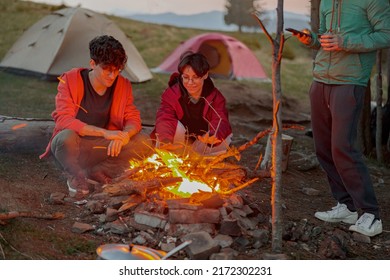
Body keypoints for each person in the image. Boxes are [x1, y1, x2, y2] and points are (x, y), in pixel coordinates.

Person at [292, 0, 390, 237]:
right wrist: (312, 40)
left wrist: (345, 42)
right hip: (321, 79)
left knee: (343, 148)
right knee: (323, 148)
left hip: (350, 80)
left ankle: (370, 214)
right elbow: (326, 38)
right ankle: (345, 205)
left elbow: (386, 34)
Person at [40, 35, 150, 198]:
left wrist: (125, 135)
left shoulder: (123, 85)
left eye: (117, 70)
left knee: (143, 142)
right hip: (76, 146)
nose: (113, 76)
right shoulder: (70, 80)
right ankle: (76, 175)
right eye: (107, 69)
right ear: (93, 63)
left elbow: (133, 118)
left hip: (104, 147)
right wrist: (104, 133)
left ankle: (98, 170)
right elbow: (63, 119)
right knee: (65, 138)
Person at [151, 51, 232, 156]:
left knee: (225, 137)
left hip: (201, 144)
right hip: (176, 144)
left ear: (205, 75)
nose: (190, 82)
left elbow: (221, 120)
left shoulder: (215, 97)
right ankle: (170, 156)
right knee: (174, 128)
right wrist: (166, 140)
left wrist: (214, 135)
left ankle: (201, 161)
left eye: (195, 77)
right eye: (186, 77)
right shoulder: (171, 94)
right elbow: (165, 117)